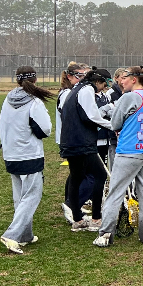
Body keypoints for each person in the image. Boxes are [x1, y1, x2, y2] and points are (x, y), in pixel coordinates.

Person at [93, 66, 143, 247]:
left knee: (115, 192)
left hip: (129, 152)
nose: (121, 81)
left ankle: (106, 233)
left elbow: (115, 123)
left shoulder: (129, 98)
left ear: (133, 79)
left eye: (125, 78)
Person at [0, 66, 54, 254]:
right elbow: (45, 129)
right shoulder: (34, 101)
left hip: (11, 154)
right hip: (29, 154)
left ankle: (25, 235)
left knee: (20, 197)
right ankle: (12, 234)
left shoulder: (7, 99)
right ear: (35, 79)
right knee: (32, 196)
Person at [59, 66, 114, 232]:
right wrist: (113, 126)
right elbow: (91, 116)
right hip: (81, 142)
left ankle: (77, 219)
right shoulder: (87, 89)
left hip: (70, 140)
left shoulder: (77, 88)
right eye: (105, 84)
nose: (105, 88)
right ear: (99, 81)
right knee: (100, 174)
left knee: (77, 176)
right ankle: (97, 218)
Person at [55, 62, 89, 224]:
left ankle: (73, 204)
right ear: (69, 77)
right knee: (80, 174)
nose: (83, 80)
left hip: (73, 138)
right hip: (70, 139)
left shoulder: (74, 91)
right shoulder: (67, 93)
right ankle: (71, 206)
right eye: (80, 76)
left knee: (76, 174)